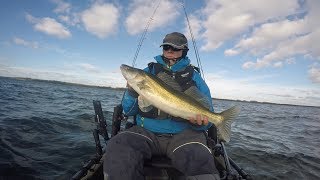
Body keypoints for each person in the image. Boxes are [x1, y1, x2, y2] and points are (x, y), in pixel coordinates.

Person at [104, 32, 220, 180]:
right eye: (166, 47)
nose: (170, 51)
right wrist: (132, 92)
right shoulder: (148, 73)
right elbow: (129, 110)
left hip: (185, 135)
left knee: (201, 163)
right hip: (146, 132)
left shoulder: (195, 77)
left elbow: (207, 117)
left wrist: (201, 124)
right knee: (119, 146)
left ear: (184, 51)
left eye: (175, 48)